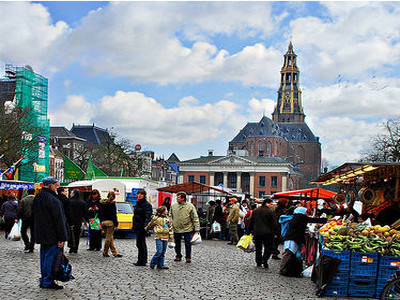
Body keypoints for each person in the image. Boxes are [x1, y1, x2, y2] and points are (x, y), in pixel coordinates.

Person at [33, 176, 69, 289]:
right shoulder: (53, 200)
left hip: (41, 232)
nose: (56, 186)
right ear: (51, 185)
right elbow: (59, 219)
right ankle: (47, 280)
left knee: (44, 257)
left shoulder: (38, 197)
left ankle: (44, 278)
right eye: (55, 184)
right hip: (52, 233)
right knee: (50, 257)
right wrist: (62, 237)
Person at [280, 206, 327, 277]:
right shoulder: (300, 217)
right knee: (288, 253)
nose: (306, 213)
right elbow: (312, 220)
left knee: (290, 253)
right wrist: (325, 220)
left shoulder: (296, 217)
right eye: (305, 211)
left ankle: (286, 268)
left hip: (291, 238)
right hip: (293, 238)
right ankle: (283, 268)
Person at [170, 192, 200, 263]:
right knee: (177, 243)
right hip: (176, 228)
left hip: (187, 228)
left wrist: (197, 228)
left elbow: (195, 217)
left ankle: (188, 257)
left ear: (183, 198)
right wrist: (171, 225)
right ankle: (178, 255)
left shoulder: (190, 206)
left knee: (188, 243)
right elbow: (170, 216)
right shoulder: (173, 206)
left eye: (178, 197)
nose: (177, 198)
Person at [247, 199, 276, 268]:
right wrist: (275, 232)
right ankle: (265, 259)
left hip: (257, 232)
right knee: (268, 247)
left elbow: (251, 221)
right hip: (268, 233)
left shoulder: (256, 210)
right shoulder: (270, 212)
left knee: (258, 248)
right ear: (267, 203)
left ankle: (258, 262)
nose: (271, 205)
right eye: (271, 204)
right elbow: (273, 223)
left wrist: (248, 231)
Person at [99, 191, 122, 258]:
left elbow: (100, 212)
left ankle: (115, 253)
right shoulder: (112, 204)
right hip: (110, 223)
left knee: (110, 237)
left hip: (103, 222)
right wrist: (116, 224)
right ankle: (105, 252)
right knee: (108, 238)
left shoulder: (102, 203)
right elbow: (113, 215)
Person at [133, 189, 153, 266]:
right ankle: (141, 260)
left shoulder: (146, 204)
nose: (139, 195)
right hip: (138, 226)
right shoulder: (138, 203)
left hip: (142, 227)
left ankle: (142, 261)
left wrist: (145, 226)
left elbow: (148, 216)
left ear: (144, 195)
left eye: (141, 194)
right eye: (138, 194)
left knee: (141, 244)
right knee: (139, 244)